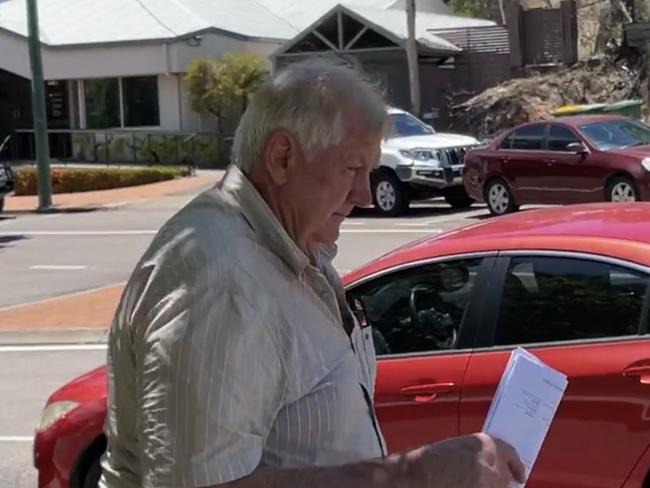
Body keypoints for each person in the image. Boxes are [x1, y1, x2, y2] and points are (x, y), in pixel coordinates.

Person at [99, 58, 525, 488]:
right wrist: (417, 475)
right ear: (282, 157)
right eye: (352, 168)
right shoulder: (221, 282)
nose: (364, 194)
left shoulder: (286, 245)